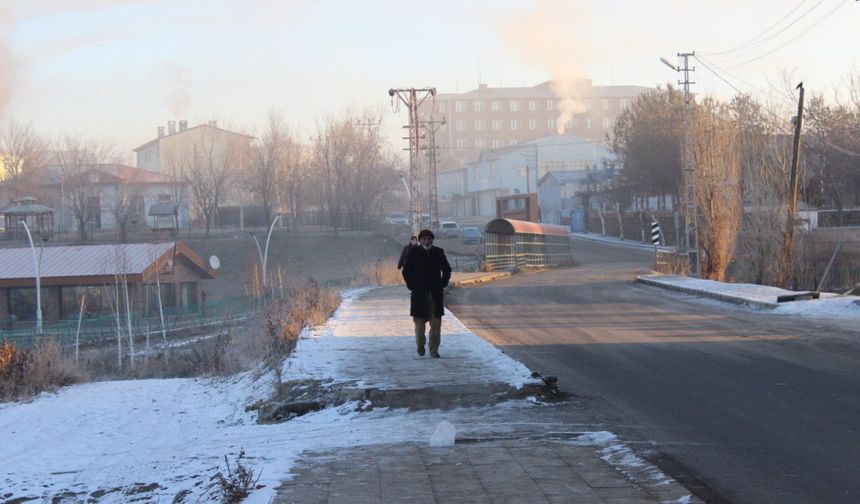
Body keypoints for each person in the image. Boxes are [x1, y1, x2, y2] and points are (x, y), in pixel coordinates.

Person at [402, 229, 451, 358]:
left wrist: (443, 283)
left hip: (435, 295)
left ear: (432, 240)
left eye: (429, 239)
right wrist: (411, 285)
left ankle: (434, 350)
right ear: (420, 240)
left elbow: (447, 269)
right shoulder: (413, 252)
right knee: (419, 327)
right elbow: (406, 271)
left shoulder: (438, 252)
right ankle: (420, 345)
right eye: (424, 239)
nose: (427, 241)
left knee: (435, 327)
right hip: (419, 295)